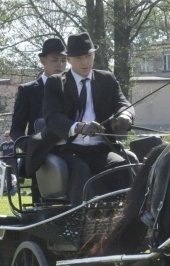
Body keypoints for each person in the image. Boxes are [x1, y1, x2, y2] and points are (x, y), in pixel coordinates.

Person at [31, 32, 135, 206]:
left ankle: (125, 214)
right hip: (68, 149)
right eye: (79, 58)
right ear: (69, 59)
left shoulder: (107, 79)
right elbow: (52, 117)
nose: (85, 62)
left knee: (121, 166)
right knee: (81, 170)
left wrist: (125, 115)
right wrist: (79, 127)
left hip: (101, 148)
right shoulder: (56, 83)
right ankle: (83, 216)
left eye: (88, 56)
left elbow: (123, 103)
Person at [10, 38, 68, 141]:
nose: (60, 64)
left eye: (63, 60)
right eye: (55, 60)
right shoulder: (28, 90)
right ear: (42, 60)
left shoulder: (72, 88)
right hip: (41, 151)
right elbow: (16, 129)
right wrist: (30, 147)